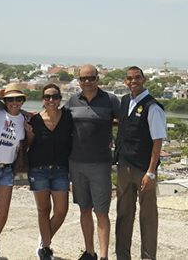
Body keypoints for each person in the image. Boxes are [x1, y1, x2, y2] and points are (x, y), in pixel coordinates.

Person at [67, 65, 120, 260]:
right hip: (76, 163)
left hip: (100, 164)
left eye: (91, 78)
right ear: (79, 80)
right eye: (83, 78)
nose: (87, 82)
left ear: (98, 78)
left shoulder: (111, 100)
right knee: (84, 209)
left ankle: (104, 255)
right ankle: (90, 252)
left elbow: (125, 121)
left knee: (102, 212)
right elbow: (60, 122)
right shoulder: (73, 101)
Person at [115, 66, 166, 260]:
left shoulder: (153, 107)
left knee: (148, 216)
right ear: (125, 81)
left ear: (143, 79)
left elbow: (157, 141)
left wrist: (151, 172)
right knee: (124, 214)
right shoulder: (125, 101)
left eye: (137, 78)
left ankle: (148, 257)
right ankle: (122, 255)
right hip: (124, 166)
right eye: (129, 78)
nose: (132, 81)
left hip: (144, 170)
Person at [0, 83, 30, 260]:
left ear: (23, 101)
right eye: (10, 99)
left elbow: (27, 143)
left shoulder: (24, 120)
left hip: (8, 169)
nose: (14, 102)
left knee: (3, 212)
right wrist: (4, 91)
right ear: (4, 100)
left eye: (18, 99)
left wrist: (29, 132)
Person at [27, 83, 73, 260]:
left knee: (61, 211)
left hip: (61, 169)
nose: (51, 100)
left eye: (54, 97)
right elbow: (29, 144)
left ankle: (43, 240)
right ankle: (46, 248)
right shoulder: (35, 120)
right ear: (42, 100)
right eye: (47, 97)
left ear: (60, 99)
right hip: (38, 169)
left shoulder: (68, 117)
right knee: (43, 209)